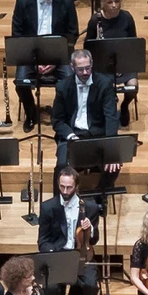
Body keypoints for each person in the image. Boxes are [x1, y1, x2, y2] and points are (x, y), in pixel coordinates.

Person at [11, 0, 82, 134]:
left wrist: (56, 60)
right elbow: (17, 34)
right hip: (30, 54)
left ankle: (61, 115)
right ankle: (31, 113)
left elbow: (73, 33)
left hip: (58, 54)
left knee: (70, 79)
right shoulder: (23, 0)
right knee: (20, 83)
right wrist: (33, 62)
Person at [38, 166, 103, 295]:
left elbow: (94, 241)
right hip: (58, 256)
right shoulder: (48, 207)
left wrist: (91, 230)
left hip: (81, 256)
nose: (65, 191)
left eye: (69, 187)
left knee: (90, 284)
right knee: (49, 285)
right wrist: (53, 254)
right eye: (62, 187)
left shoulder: (90, 208)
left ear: (76, 187)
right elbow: (42, 241)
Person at [52, 50, 122, 196]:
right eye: (80, 69)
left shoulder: (104, 84)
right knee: (61, 166)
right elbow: (57, 121)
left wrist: (111, 149)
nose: (85, 72)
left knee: (114, 166)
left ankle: (97, 200)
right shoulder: (63, 86)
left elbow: (111, 117)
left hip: (97, 136)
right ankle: (60, 203)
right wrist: (71, 136)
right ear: (72, 67)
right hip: (73, 136)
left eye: (88, 68)